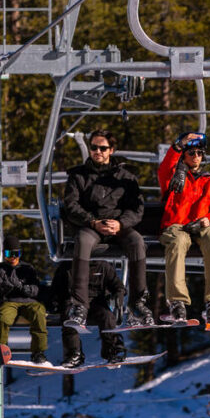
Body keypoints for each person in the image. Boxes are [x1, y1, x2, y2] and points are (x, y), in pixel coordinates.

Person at [63, 129, 152, 330]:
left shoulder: (125, 177)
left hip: (118, 226)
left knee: (137, 242)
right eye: (93, 147)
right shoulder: (78, 176)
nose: (97, 152)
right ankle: (80, 306)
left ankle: (137, 303)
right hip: (92, 226)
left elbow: (137, 208)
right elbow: (71, 205)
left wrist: (121, 223)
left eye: (103, 148)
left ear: (111, 150)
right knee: (83, 242)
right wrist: (93, 222)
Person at [158, 132, 210, 326]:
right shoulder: (174, 176)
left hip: (203, 224)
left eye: (199, 153)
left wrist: (208, 220)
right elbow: (165, 166)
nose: (196, 156)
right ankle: (177, 301)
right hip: (178, 224)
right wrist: (179, 144)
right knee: (178, 241)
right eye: (191, 153)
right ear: (184, 155)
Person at [48, 260, 127, 367]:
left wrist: (119, 294)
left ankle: (110, 350)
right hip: (75, 302)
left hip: (95, 301)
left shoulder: (102, 266)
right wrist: (54, 302)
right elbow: (56, 288)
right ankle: (73, 353)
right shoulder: (68, 267)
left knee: (107, 316)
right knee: (70, 317)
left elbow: (117, 285)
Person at [0, 235, 48, 370]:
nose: (13, 258)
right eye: (10, 254)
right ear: (4, 254)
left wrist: (24, 288)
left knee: (39, 314)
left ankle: (38, 352)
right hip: (9, 302)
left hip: (28, 302)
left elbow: (36, 288)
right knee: (3, 318)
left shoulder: (28, 269)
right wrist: (8, 286)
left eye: (17, 254)